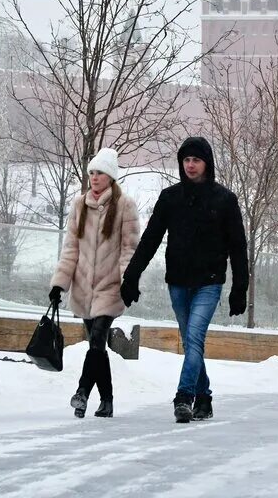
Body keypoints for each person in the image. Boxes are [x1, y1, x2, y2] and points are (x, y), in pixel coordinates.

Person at [120, 136, 249, 423]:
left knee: (193, 337)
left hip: (209, 281)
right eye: (186, 160)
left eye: (196, 160)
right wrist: (131, 276)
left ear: (207, 163)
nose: (190, 165)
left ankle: (184, 396)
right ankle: (204, 397)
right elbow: (150, 239)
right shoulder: (170, 198)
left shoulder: (225, 200)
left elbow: (238, 246)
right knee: (192, 343)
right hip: (177, 281)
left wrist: (240, 287)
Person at [48, 147, 141, 419]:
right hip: (83, 287)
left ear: (111, 176)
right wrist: (59, 285)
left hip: (111, 286)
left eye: (100, 172)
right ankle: (107, 401)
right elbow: (71, 249)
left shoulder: (125, 206)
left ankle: (82, 393)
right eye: (91, 172)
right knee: (96, 347)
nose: (94, 177)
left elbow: (129, 249)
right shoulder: (80, 205)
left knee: (99, 336)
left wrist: (128, 282)